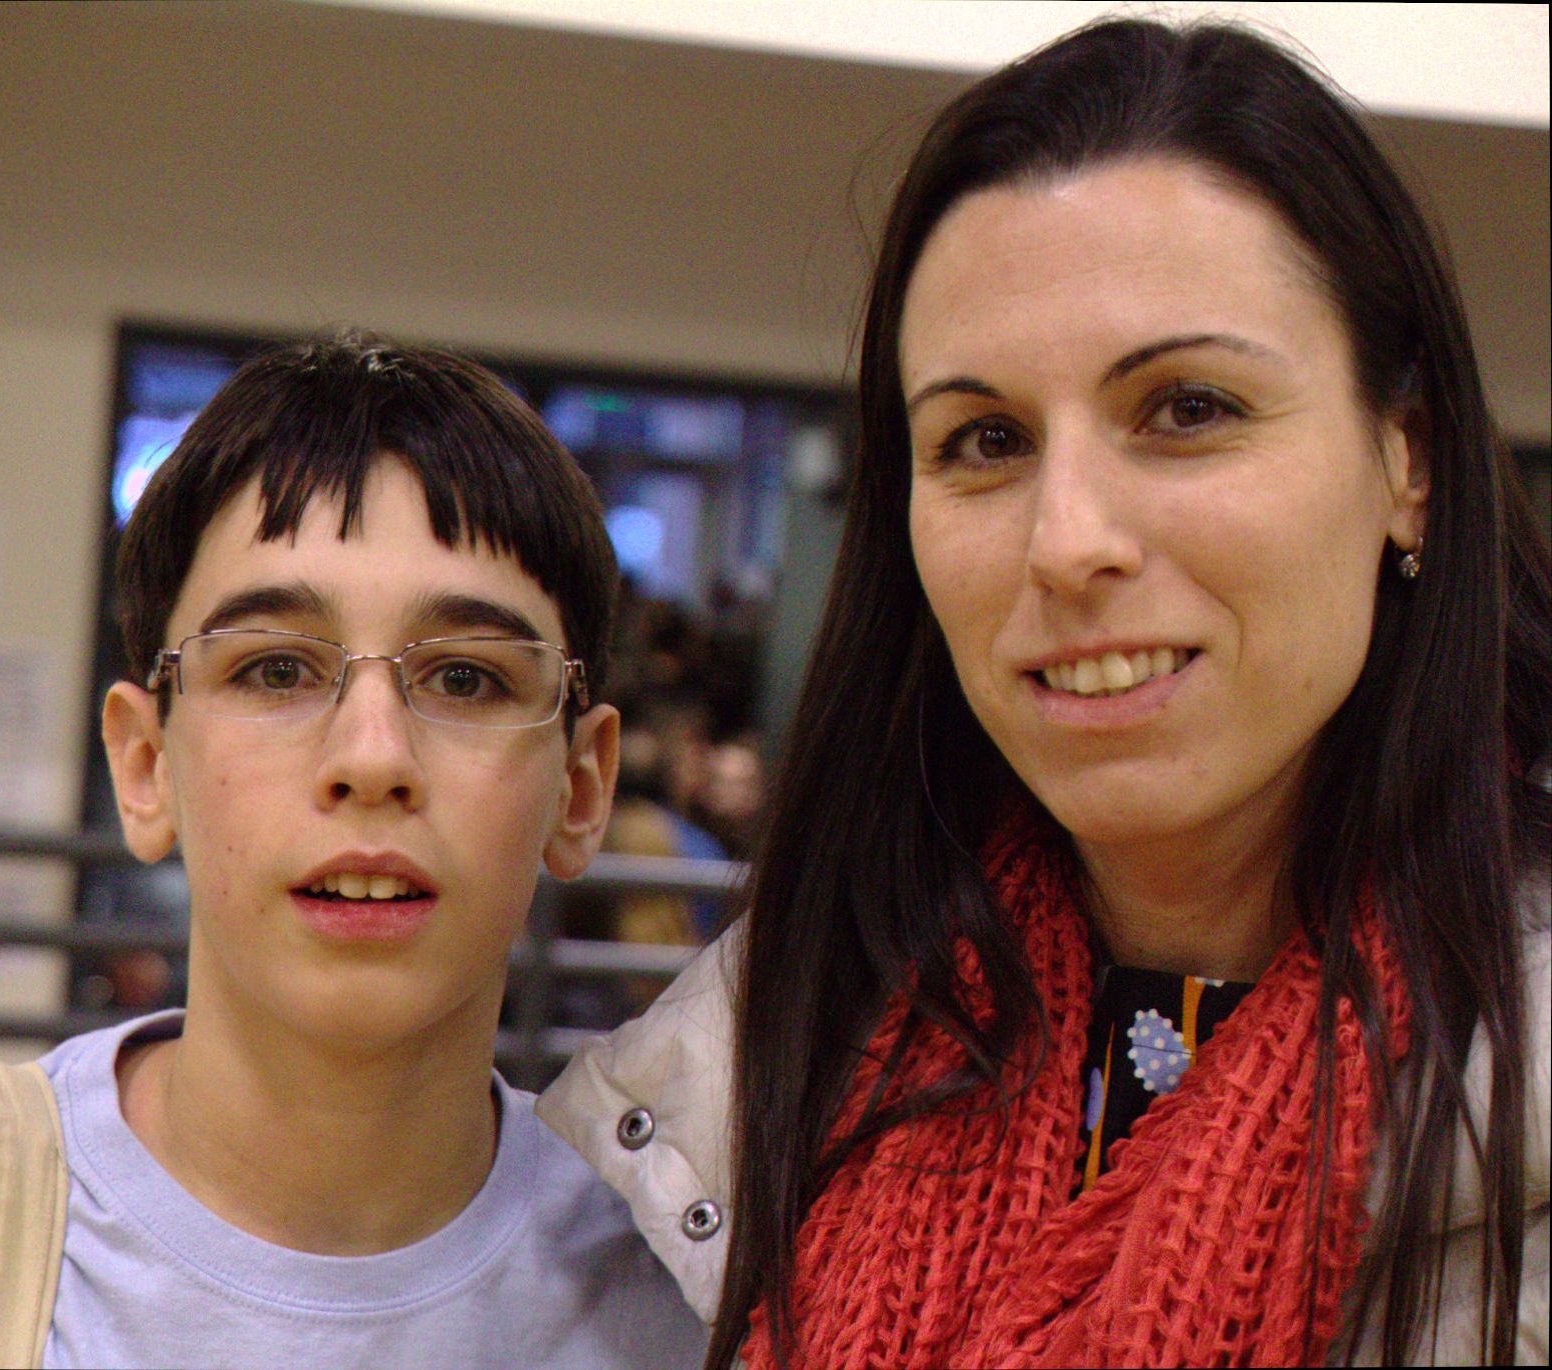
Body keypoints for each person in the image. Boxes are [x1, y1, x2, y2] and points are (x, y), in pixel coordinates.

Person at [538, 18, 1550, 1368]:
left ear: (1404, 460)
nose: (1065, 539)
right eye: (983, 440)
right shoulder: (737, 1074)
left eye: (1185, 407)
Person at [0, 333, 710, 1367]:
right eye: (277, 668)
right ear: (144, 765)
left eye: (465, 678)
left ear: (580, 785)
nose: (372, 757)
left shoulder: (670, 1289)